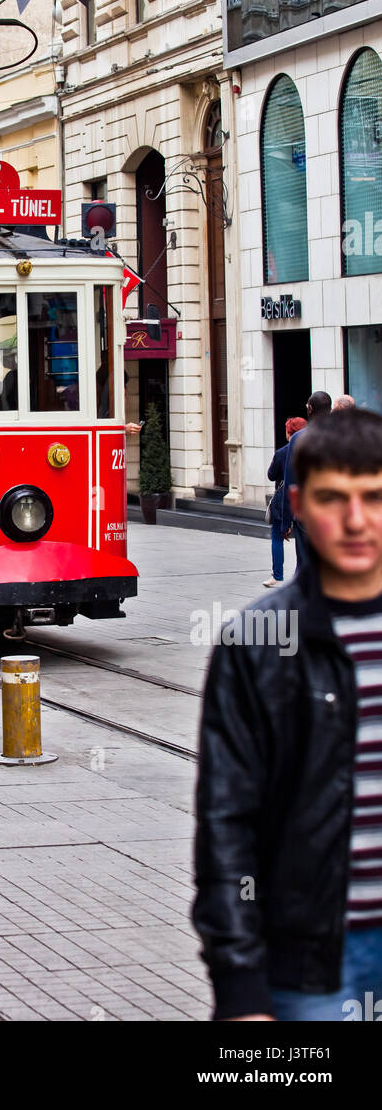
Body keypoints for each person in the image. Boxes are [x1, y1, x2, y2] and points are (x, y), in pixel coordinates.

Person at [194, 408, 382, 1021]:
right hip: (311, 961)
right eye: (334, 499)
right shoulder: (258, 643)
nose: (356, 521)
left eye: (373, 498)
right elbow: (227, 825)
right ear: (297, 505)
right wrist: (241, 986)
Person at [281, 390, 332, 569]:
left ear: (310, 409)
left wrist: (285, 520)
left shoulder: (298, 439)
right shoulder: (343, 436)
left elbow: (291, 480)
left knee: (304, 564)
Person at [263, 415, 307, 587]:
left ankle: (277, 575)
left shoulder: (282, 452)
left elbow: (271, 474)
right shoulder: (311, 448)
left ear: (290, 433)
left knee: (277, 536)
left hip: (284, 498)